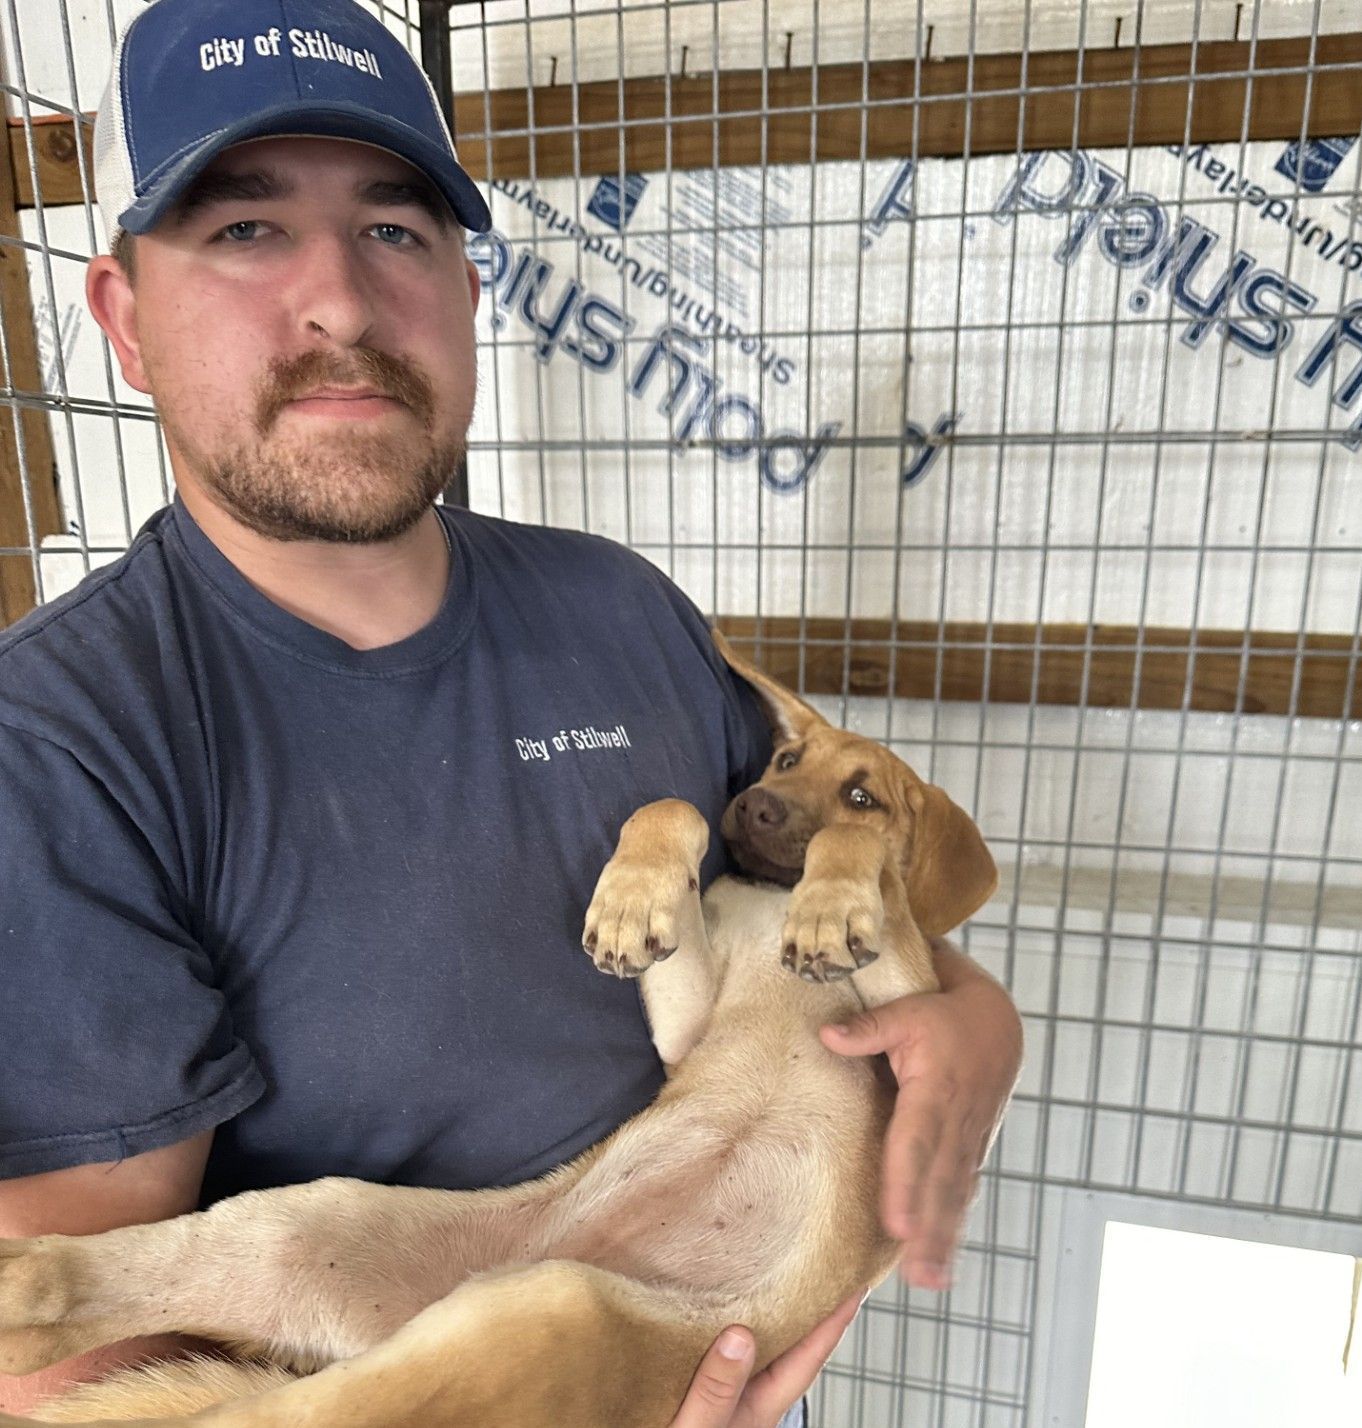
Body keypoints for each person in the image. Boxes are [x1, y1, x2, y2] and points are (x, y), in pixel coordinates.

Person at [0, 0, 1023, 1422]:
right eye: (244, 231)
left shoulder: (622, 609)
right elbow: (67, 1337)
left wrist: (976, 1022)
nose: (344, 304)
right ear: (121, 316)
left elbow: (817, 929)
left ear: (470, 294)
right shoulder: (63, 735)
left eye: (395, 229)